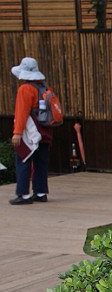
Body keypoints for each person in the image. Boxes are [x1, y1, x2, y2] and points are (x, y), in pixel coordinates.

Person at [9, 57, 51, 205]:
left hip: (30, 131)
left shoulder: (25, 89)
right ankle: (40, 192)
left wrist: (17, 132)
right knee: (41, 162)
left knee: (23, 159)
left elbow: (21, 112)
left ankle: (24, 194)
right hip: (44, 131)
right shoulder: (43, 87)